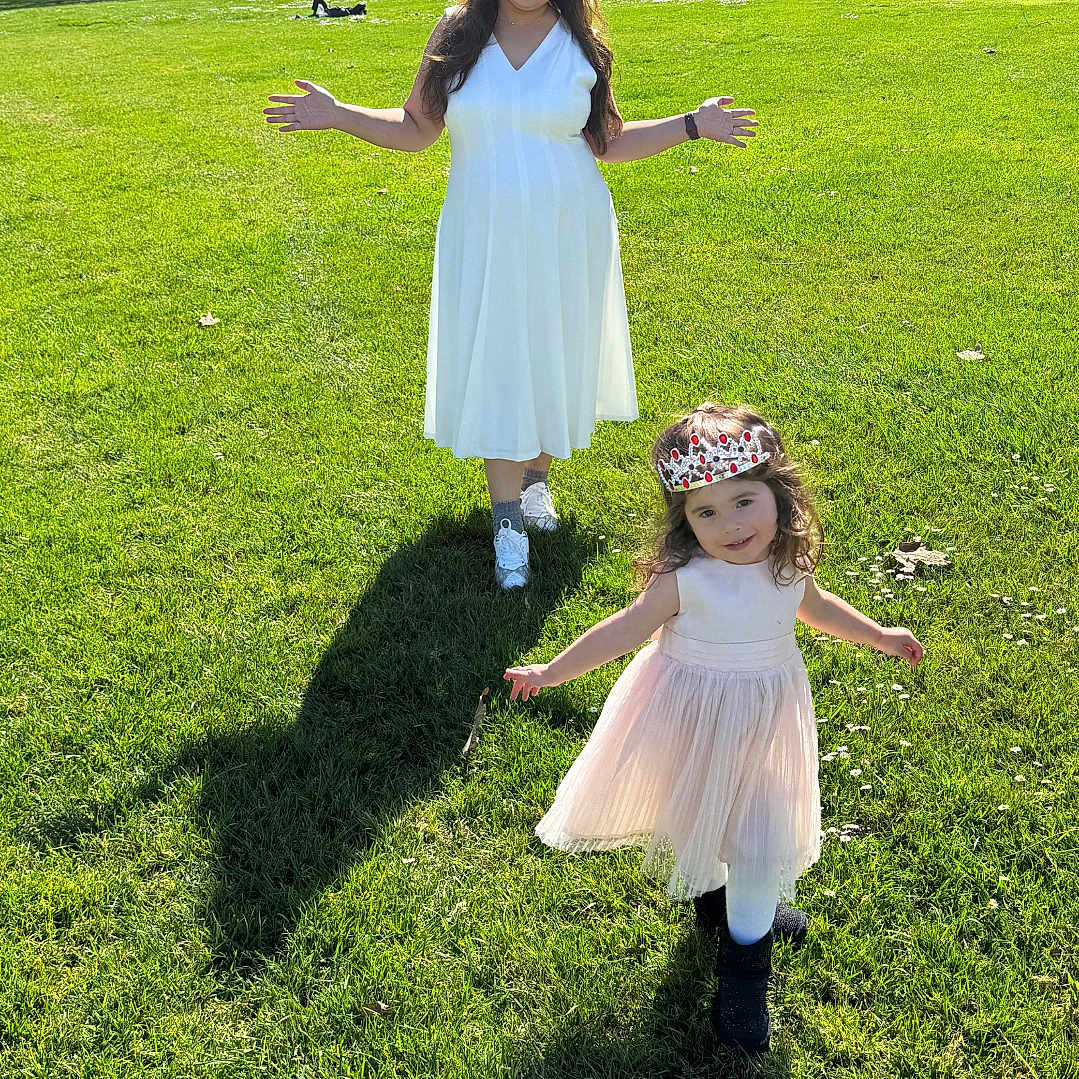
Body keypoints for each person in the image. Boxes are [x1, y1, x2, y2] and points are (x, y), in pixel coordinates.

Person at [264, 0, 758, 589]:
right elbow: (417, 128)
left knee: (552, 350)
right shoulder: (459, 31)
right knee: (500, 359)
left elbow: (608, 142)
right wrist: (339, 113)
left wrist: (692, 124)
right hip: (483, 229)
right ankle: (507, 524)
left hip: (567, 228)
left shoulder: (581, 40)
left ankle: (535, 482)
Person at [504, 402, 924, 1052]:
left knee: (759, 832)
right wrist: (552, 669)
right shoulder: (685, 580)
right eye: (704, 511)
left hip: (765, 716)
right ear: (683, 519)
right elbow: (621, 629)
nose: (728, 525)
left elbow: (818, 609)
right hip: (694, 716)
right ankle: (718, 911)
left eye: (742, 501)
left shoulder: (787, 568)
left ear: (779, 496)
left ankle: (742, 972)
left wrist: (878, 635)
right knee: (705, 813)